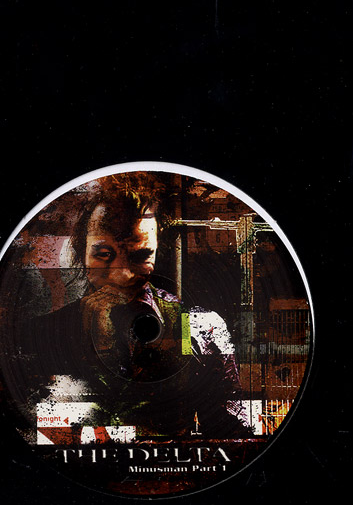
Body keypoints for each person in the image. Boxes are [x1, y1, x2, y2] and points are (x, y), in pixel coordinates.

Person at [14, 176, 253, 439]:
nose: (122, 275)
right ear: (81, 251)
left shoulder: (199, 328)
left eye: (140, 256)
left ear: (158, 252)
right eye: (104, 255)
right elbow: (40, 435)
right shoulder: (44, 335)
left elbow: (235, 436)